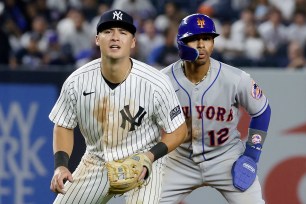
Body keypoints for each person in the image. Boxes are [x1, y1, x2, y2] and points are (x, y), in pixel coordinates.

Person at [49, 9, 187, 204]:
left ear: (133, 42)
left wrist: (150, 156)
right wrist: (61, 166)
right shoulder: (77, 82)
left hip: (145, 164)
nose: (115, 37)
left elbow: (179, 130)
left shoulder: (156, 82)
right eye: (108, 32)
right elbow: (63, 124)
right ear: (97, 39)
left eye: (123, 32)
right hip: (96, 163)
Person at [160, 13, 271, 204]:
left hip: (226, 158)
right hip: (179, 161)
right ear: (180, 44)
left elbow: (262, 111)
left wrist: (252, 155)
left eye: (207, 38)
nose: (201, 44)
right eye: (194, 39)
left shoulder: (235, 78)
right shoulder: (162, 81)